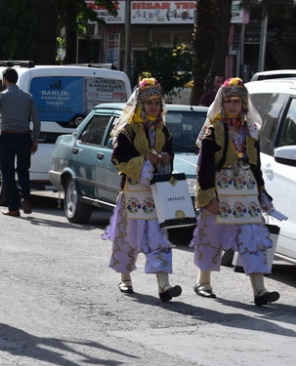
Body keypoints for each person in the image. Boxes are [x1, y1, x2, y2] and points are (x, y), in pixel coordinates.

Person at [191, 78, 280, 306]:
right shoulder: (214, 130)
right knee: (212, 237)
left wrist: (262, 193)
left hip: (247, 193)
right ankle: (203, 283)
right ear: (222, 103)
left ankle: (259, 290)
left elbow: (256, 165)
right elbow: (205, 167)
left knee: (253, 238)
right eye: (228, 101)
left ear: (244, 104)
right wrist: (208, 196)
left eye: (236, 101)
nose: (232, 105)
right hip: (220, 192)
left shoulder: (251, 130)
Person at [101, 78, 182, 301]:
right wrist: (144, 161)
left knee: (159, 238)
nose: (154, 107)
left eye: (157, 103)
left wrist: (165, 159)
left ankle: (164, 286)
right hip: (132, 193)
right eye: (149, 103)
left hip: (156, 195)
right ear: (140, 105)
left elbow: (170, 157)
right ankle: (125, 278)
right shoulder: (127, 131)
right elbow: (117, 159)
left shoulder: (164, 131)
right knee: (128, 238)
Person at [0, 67, 40, 217]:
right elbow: (36, 120)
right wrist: (35, 140)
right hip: (24, 137)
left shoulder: (1, 96)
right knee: (23, 170)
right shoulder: (28, 97)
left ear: (5, 79)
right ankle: (25, 197)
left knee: (8, 172)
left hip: (7, 138)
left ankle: (13, 208)